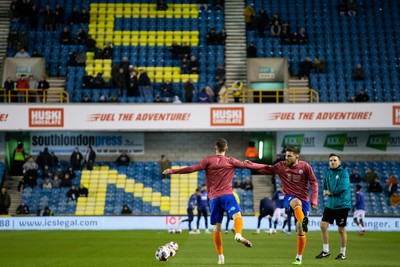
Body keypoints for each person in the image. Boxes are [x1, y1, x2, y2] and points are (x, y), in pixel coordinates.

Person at [162, 138, 258, 265]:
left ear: (215, 148)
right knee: (237, 216)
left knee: (216, 228)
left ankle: (220, 256)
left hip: (213, 199)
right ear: (226, 148)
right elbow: (250, 166)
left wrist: (172, 171)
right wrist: (269, 167)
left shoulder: (207, 161)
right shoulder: (231, 161)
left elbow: (192, 168)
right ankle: (238, 234)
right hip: (227, 195)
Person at [245, 146, 318, 265]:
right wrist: (251, 165)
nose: (286, 158)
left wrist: (314, 200)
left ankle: (299, 258)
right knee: (296, 202)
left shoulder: (305, 167)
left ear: (296, 157)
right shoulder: (281, 166)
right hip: (289, 197)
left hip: (304, 200)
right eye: (286, 155)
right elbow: (266, 168)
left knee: (300, 229)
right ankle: (304, 221)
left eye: (289, 156)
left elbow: (314, 183)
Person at [316, 154, 351, 261]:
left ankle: (342, 253)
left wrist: (330, 192)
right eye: (331, 160)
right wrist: (325, 190)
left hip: (342, 205)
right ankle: (326, 251)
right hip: (330, 204)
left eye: (335, 160)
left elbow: (343, 187)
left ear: (339, 162)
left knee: (341, 229)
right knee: (323, 225)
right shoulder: (328, 173)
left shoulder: (344, 173)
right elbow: (324, 184)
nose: (332, 162)